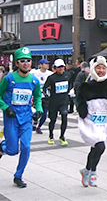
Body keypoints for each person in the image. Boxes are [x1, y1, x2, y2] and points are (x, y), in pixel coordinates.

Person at [0, 47, 42, 188]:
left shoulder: (34, 81)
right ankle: (2, 147)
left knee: (26, 146)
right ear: (16, 63)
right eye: (22, 61)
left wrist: (39, 109)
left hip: (26, 118)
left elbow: (37, 98)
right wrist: (6, 108)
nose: (26, 63)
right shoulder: (8, 79)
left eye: (28, 60)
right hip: (11, 117)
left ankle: (18, 176)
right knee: (12, 150)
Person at [77, 56, 107, 187]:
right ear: (93, 69)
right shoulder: (85, 86)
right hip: (90, 121)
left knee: (96, 148)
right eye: (98, 67)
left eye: (103, 67)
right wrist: (82, 111)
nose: (101, 70)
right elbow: (79, 102)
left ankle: (86, 170)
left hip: (104, 121)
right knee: (100, 146)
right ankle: (93, 171)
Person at [43, 59, 72, 146]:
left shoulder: (68, 75)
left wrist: (70, 91)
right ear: (55, 68)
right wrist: (47, 96)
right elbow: (45, 88)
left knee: (64, 116)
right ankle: (51, 135)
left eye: (62, 67)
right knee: (53, 119)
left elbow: (70, 84)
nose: (61, 69)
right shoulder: (51, 78)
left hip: (64, 101)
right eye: (59, 67)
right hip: (54, 102)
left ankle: (62, 136)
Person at [31, 58, 53, 134]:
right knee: (38, 111)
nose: (47, 65)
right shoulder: (34, 73)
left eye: (48, 64)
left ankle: (39, 127)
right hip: (37, 95)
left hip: (46, 95)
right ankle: (35, 120)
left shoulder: (50, 73)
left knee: (45, 113)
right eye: (45, 63)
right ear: (40, 65)